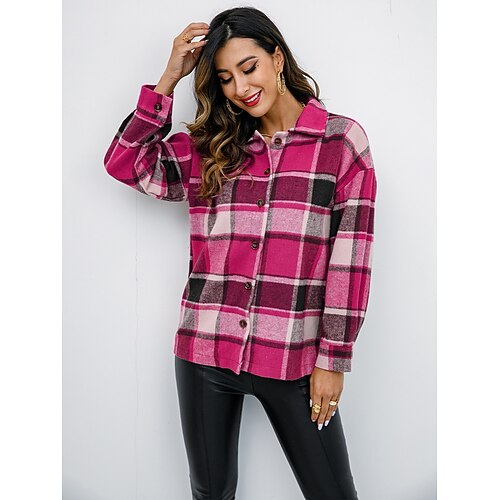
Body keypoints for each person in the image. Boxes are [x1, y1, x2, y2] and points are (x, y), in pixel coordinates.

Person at [103, 7, 377, 500]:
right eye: (226, 78)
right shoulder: (213, 147)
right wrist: (168, 78)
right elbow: (127, 164)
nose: (240, 88)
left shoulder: (340, 142)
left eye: (249, 68)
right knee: (211, 494)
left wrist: (332, 359)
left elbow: (350, 259)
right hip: (205, 349)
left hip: (293, 357)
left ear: (277, 57)